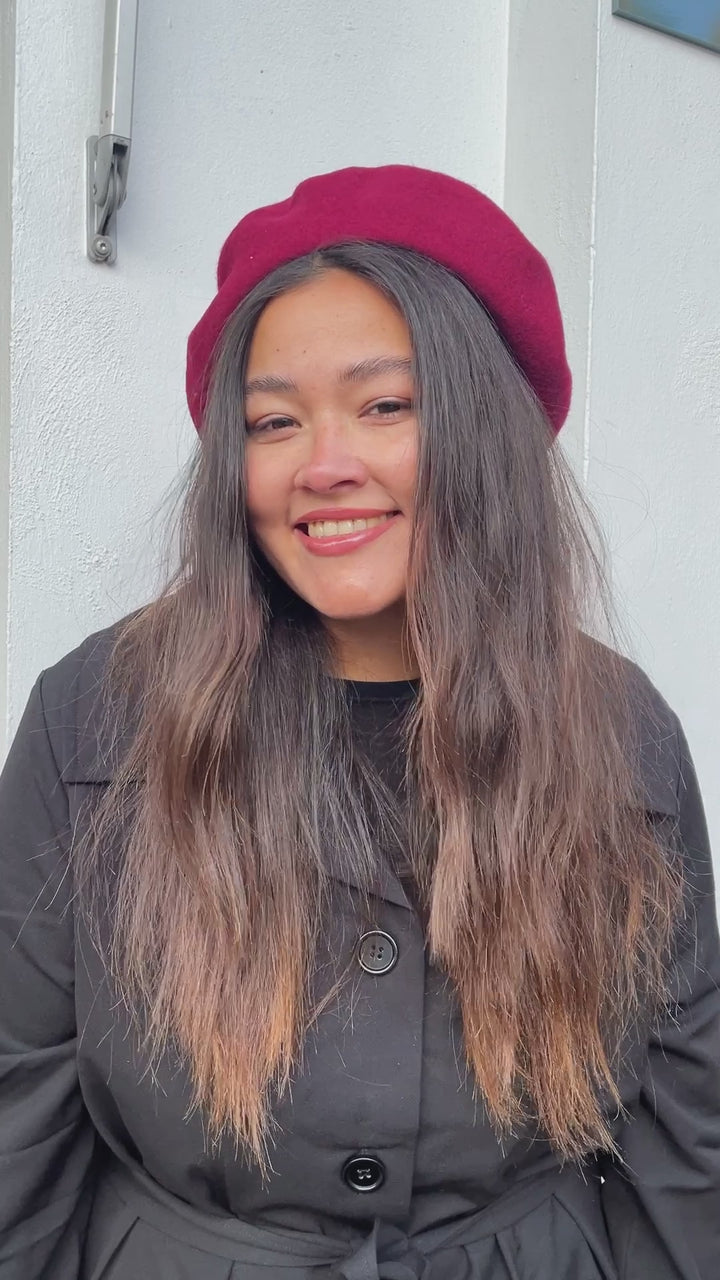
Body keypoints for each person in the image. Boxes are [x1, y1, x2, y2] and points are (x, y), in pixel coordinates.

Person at [1, 164, 718, 1280]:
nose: (324, 465)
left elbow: (685, 1145)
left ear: (484, 431)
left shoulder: (621, 734)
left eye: (385, 406)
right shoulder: (94, 719)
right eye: (273, 421)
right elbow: (17, 1114)